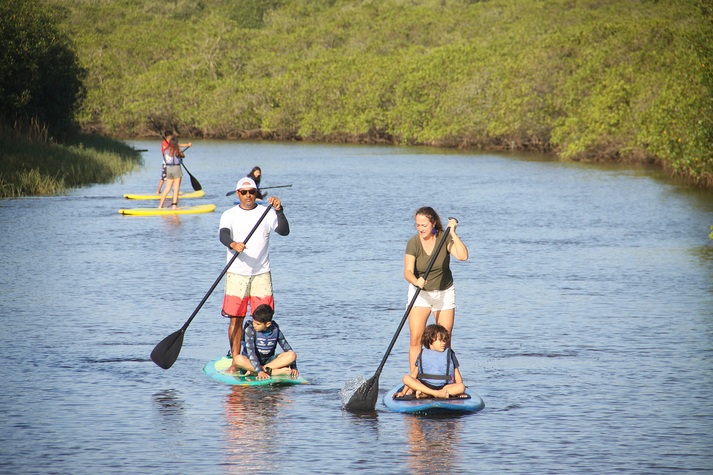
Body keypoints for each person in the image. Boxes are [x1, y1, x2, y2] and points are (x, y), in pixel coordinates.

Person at [219, 176, 290, 374]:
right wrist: (233, 244)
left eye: (251, 191)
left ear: (256, 193)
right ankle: (236, 361)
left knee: (263, 320)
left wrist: (279, 211)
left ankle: (260, 363)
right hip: (237, 273)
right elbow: (223, 235)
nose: (248, 195)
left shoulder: (266, 212)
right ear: (238, 193)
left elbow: (284, 231)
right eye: (244, 192)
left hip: (261, 274)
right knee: (236, 319)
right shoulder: (229, 214)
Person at [404, 206, 469, 371]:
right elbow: (407, 272)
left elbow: (463, 256)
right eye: (418, 225)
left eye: (424, 225)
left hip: (444, 293)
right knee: (416, 338)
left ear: (433, 223)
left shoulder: (443, 238)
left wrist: (452, 233)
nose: (420, 229)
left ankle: (444, 376)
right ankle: (415, 378)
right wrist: (416, 280)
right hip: (420, 294)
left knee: (444, 339)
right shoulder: (413, 243)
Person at [395, 324, 466, 399]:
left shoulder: (450, 354)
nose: (444, 343)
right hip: (425, 385)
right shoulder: (422, 354)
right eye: (440, 340)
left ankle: (427, 394)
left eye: (444, 340)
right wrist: (403, 392)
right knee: (406, 378)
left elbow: (457, 375)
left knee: (461, 387)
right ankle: (436, 393)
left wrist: (461, 392)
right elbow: (413, 375)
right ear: (430, 340)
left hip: (444, 386)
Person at [232, 304, 298, 379]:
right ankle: (271, 372)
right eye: (253, 322)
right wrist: (259, 371)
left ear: (268, 324)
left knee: (292, 355)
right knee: (238, 359)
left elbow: (287, 348)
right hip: (250, 363)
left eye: (258, 324)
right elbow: (251, 353)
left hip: (269, 362)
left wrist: (294, 367)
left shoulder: (275, 330)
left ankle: (259, 371)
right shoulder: (249, 330)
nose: (254, 325)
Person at [158, 137, 185, 208]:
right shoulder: (178, 151)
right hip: (176, 169)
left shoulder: (166, 151)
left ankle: (160, 205)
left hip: (168, 169)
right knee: (176, 189)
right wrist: (180, 152)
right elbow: (183, 156)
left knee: (167, 188)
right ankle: (174, 206)